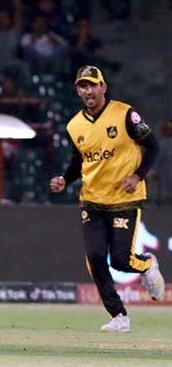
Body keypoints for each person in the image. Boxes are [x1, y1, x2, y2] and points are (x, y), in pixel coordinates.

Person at [50, 65, 165, 332]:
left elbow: (153, 145)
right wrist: (64, 180)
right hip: (92, 199)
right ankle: (119, 316)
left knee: (121, 261)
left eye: (92, 85)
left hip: (125, 197)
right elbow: (79, 161)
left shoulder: (125, 114)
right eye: (82, 86)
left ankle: (146, 264)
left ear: (103, 87)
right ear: (78, 90)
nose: (88, 90)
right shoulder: (74, 125)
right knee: (95, 257)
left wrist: (137, 176)